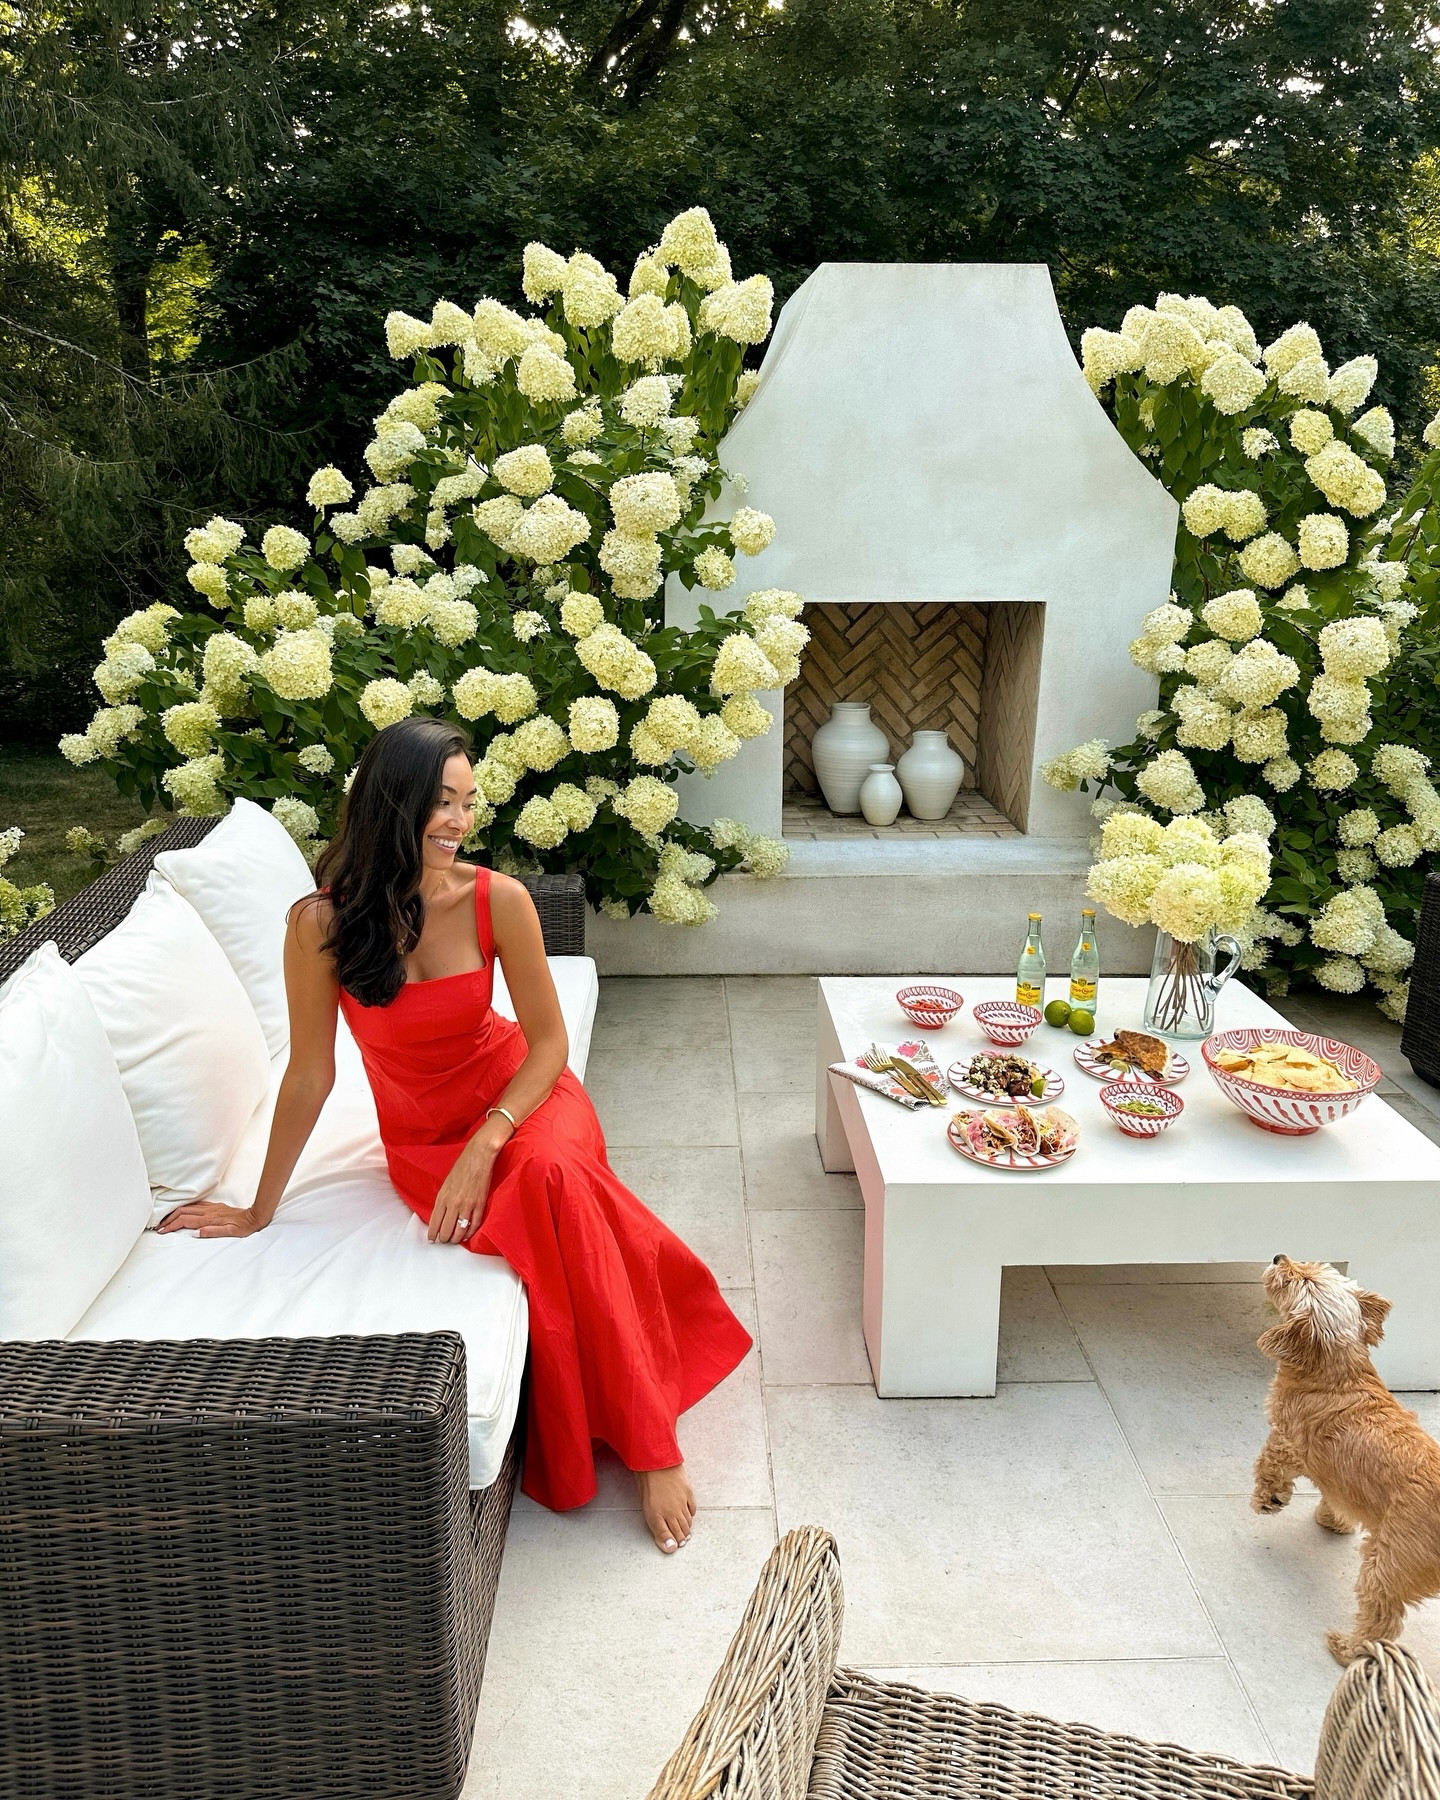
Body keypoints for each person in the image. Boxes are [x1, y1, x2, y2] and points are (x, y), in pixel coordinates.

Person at [160, 716, 752, 1552]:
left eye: (470, 804)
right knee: (552, 1196)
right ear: (394, 803)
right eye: (443, 803)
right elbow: (310, 1076)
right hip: (424, 1142)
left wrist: (488, 1140)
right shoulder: (319, 925)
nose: (460, 822)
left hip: (522, 1099)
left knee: (550, 1176)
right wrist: (258, 1209)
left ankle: (652, 1443)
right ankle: (633, 1408)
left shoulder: (496, 899)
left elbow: (547, 1045)